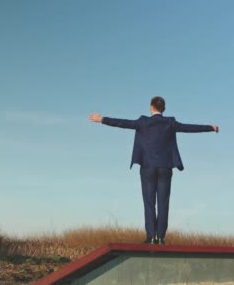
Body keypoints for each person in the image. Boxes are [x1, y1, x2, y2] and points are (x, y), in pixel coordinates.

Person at [89, 96, 218, 244]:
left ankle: (151, 236)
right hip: (165, 168)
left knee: (149, 202)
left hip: (148, 167)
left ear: (151, 107)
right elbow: (190, 128)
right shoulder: (170, 122)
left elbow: (122, 123)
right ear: (164, 109)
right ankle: (161, 237)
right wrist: (210, 127)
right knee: (163, 203)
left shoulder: (143, 122)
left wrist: (102, 119)